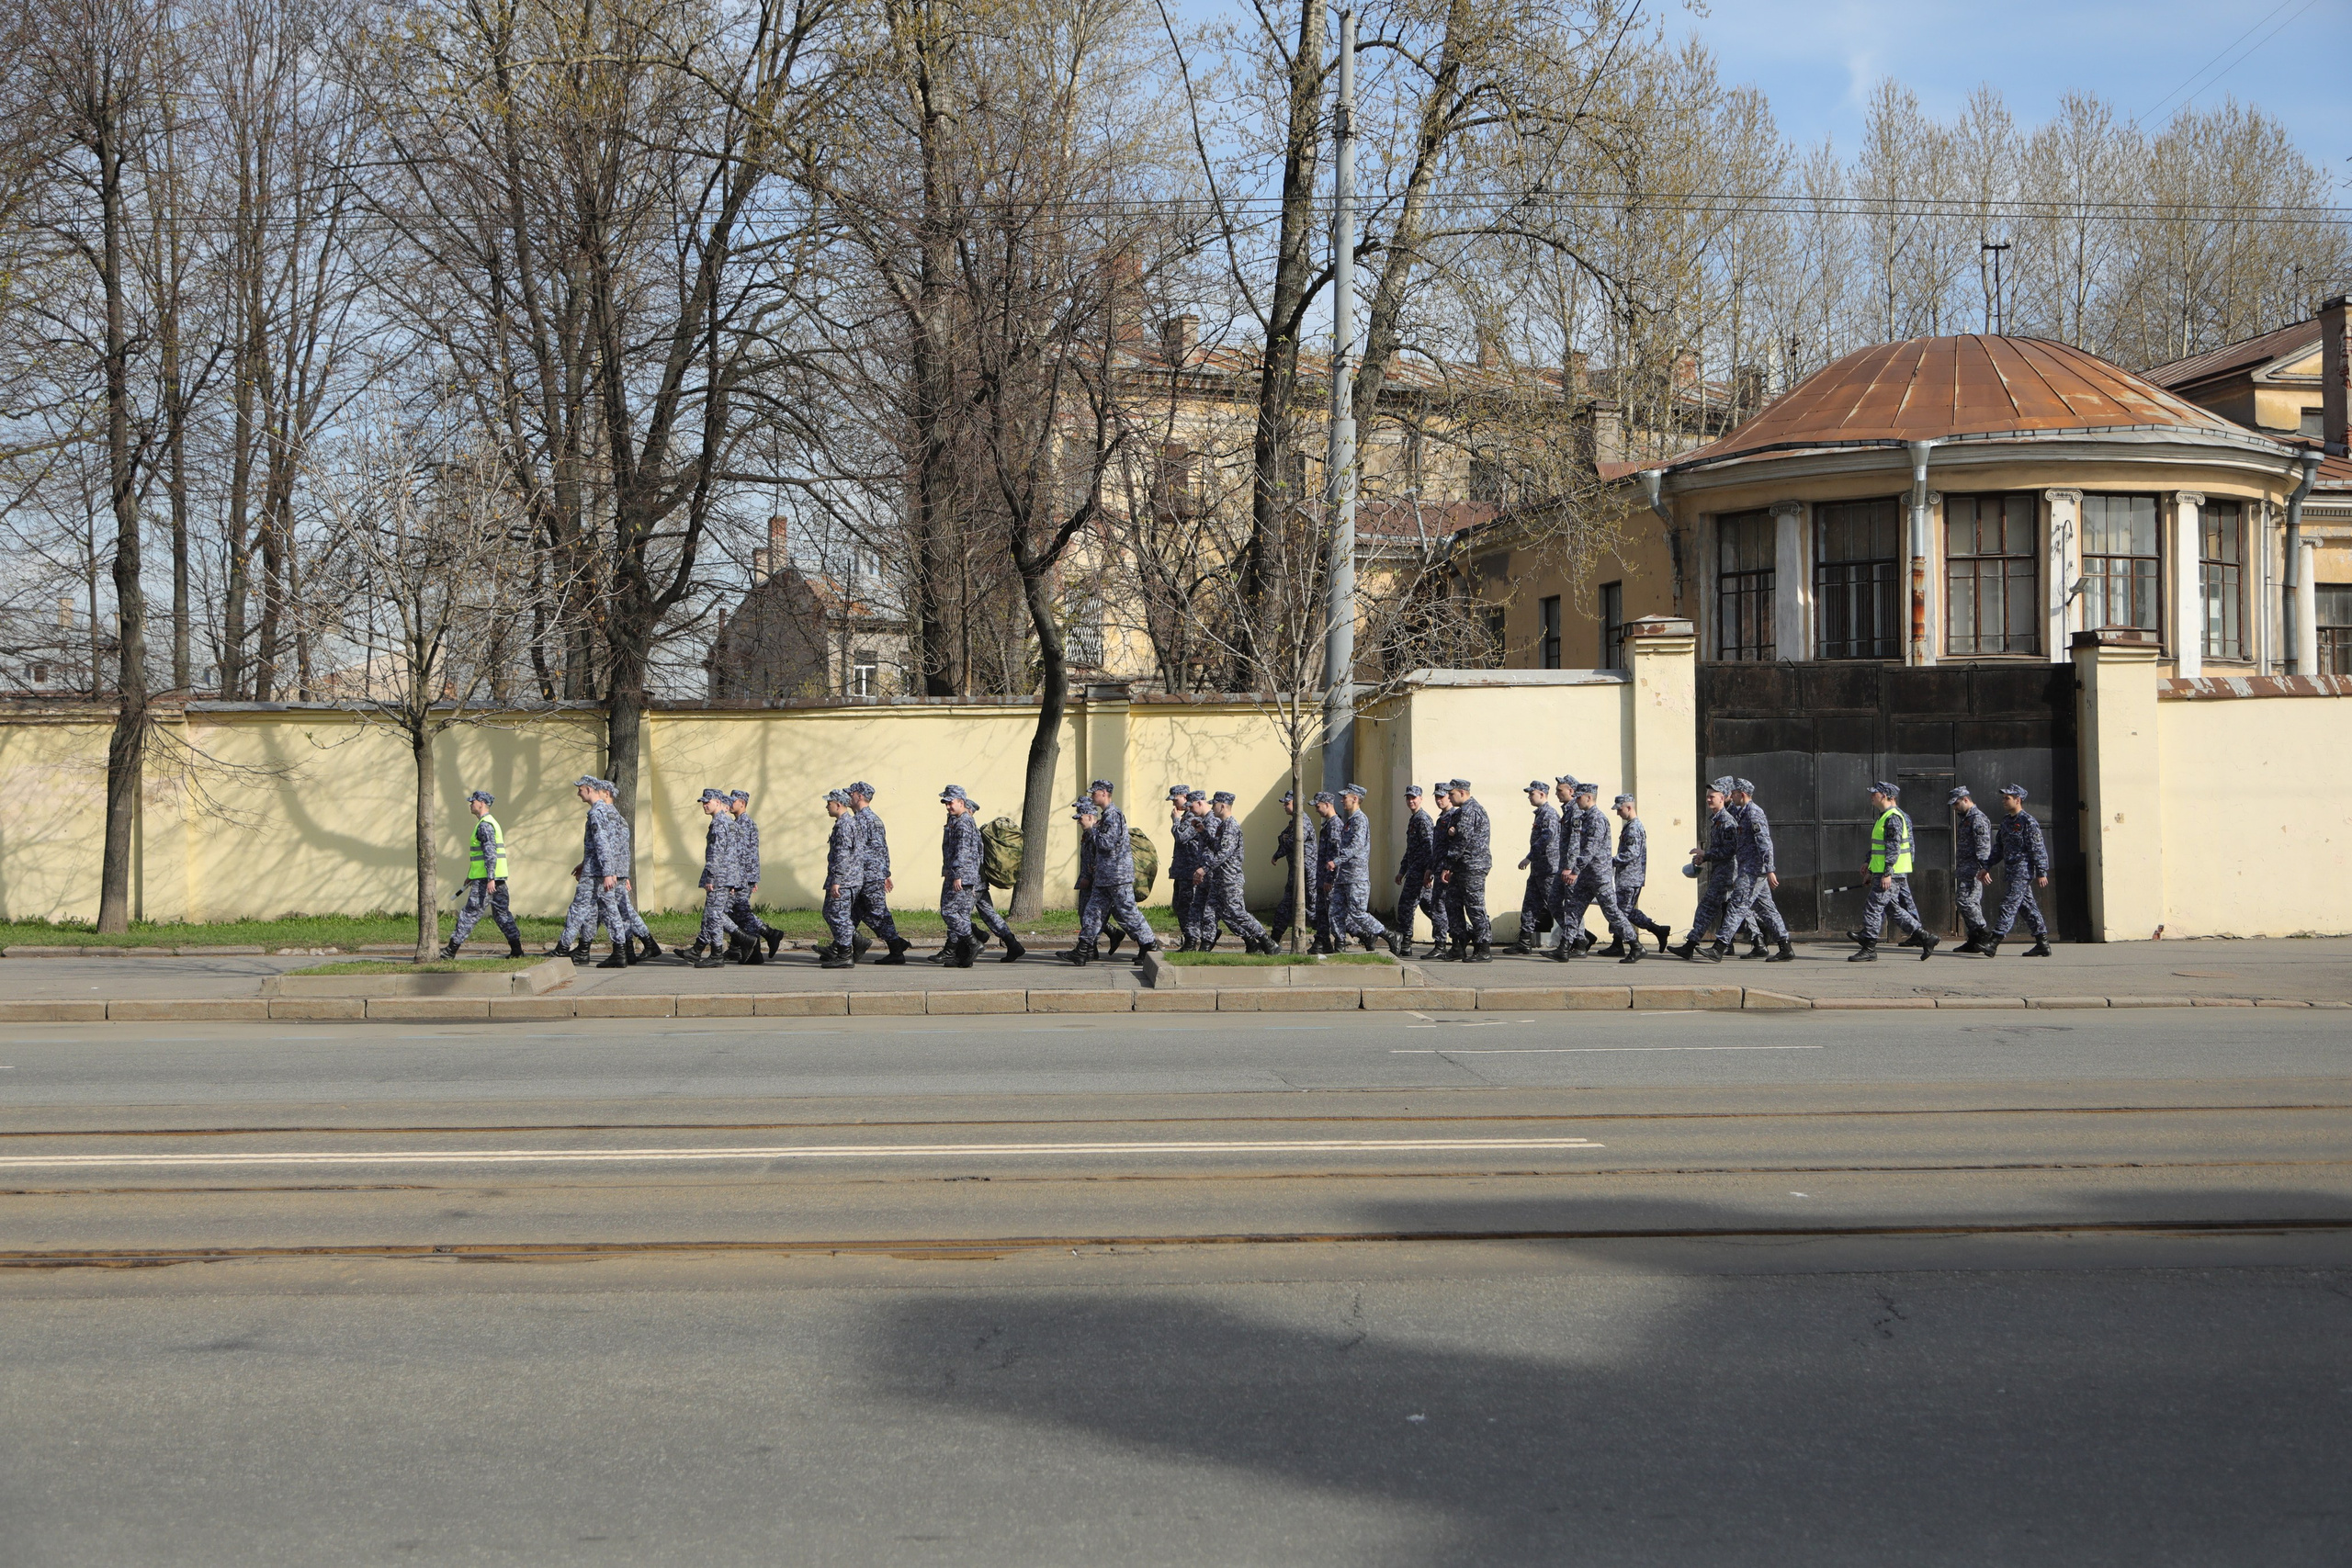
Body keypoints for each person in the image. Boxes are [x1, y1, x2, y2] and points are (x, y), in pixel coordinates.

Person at [1067, 780, 1157, 964]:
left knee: (1128, 913)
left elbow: (1106, 844)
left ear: (1104, 793)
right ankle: (1082, 951)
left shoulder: (1113, 815)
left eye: (1094, 793)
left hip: (1117, 877)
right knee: (1092, 912)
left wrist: (1091, 829)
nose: (1092, 796)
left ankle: (1150, 946)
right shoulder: (1107, 815)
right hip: (1105, 877)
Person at [1555, 779, 1641, 964]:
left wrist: (1575, 871)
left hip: (1599, 876)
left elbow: (1589, 849)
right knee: (1573, 910)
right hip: (1587, 876)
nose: (1576, 800)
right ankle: (1564, 947)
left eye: (1579, 798)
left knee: (1612, 912)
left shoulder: (1597, 818)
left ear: (1588, 797)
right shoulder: (1586, 817)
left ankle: (1635, 945)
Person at [934, 784, 1020, 967]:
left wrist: (956, 874)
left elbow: (962, 851)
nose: (948, 807)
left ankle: (970, 944)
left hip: (965, 877)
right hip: (969, 876)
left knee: (952, 912)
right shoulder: (960, 821)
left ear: (961, 802)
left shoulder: (963, 823)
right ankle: (968, 952)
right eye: (946, 803)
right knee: (976, 913)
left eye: (950, 803)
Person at [1850, 781, 1936, 962]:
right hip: (1885, 871)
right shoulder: (1885, 816)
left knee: (1873, 907)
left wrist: (1887, 872)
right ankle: (1926, 937)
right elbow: (1879, 848)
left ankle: (1869, 947)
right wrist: (1870, 867)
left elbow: (1893, 848)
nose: (1872, 796)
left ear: (1887, 796)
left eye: (1875, 793)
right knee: (1892, 909)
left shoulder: (1893, 818)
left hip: (1891, 873)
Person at [1719, 779, 1795, 963]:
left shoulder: (1754, 813)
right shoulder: (1741, 812)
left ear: (1742, 795)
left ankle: (1719, 946)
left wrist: (1770, 869)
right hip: (1749, 867)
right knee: (1766, 909)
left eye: (1734, 793)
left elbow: (1765, 843)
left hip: (1754, 870)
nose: (1732, 796)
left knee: (1737, 905)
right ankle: (1785, 946)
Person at [444, 789, 526, 960]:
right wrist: (471, 874)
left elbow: (490, 853)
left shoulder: (484, 825)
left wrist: (490, 878)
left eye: (472, 802)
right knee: (502, 914)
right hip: (497, 879)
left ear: (481, 803)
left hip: (487, 881)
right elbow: (482, 856)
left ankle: (450, 951)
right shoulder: (491, 823)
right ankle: (517, 950)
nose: (470, 804)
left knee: (470, 913)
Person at [1328, 784, 1404, 955]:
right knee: (1336, 912)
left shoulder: (1360, 819)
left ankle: (1390, 935)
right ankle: (1339, 946)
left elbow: (1356, 845)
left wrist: (1337, 860)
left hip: (1356, 876)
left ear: (1355, 799)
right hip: (1343, 876)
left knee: (1357, 913)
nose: (1342, 801)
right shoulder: (1350, 820)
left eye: (1344, 797)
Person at [1671, 779, 1742, 962]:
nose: (1708, 800)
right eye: (1708, 797)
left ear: (1723, 798)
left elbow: (1730, 850)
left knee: (1707, 908)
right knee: (1713, 909)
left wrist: (1707, 853)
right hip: (1720, 871)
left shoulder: (1727, 821)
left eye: (1712, 797)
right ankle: (1692, 946)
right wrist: (1704, 857)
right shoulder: (1717, 820)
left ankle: (1693, 946)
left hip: (1726, 873)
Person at [1981, 784, 2052, 958]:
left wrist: (2041, 871)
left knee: (2008, 904)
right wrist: (1986, 866)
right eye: (2003, 798)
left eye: (2007, 798)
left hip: (2023, 870)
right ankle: (2042, 943)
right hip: (2011, 870)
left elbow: (2037, 847)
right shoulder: (2006, 821)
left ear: (2018, 800)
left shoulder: (2028, 822)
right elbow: (1999, 848)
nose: (2004, 801)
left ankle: (1994, 942)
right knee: (2027, 907)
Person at [1203, 790, 1274, 953]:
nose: (1212, 807)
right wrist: (1203, 833)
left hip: (1230, 879)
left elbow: (1224, 853)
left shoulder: (1231, 826)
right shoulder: (1223, 825)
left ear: (1222, 806)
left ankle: (1266, 941)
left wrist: (1204, 869)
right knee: (1210, 910)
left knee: (1237, 912)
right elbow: (1217, 847)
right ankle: (1204, 947)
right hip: (1220, 878)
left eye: (1214, 804)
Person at [846, 782, 909, 964]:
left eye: (851, 794)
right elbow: (883, 849)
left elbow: (857, 851)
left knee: (877, 913)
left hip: (867, 875)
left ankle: (896, 948)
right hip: (873, 874)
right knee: (854, 911)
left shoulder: (860, 820)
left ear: (859, 796)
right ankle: (839, 947)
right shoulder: (874, 819)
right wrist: (886, 873)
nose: (848, 797)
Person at [582, 779, 637, 969]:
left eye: (581, 790)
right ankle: (624, 952)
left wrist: (610, 872)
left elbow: (606, 846)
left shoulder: (600, 813)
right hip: (612, 871)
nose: (579, 794)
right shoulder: (615, 816)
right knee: (614, 911)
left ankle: (622, 952)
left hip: (606, 872)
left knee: (613, 911)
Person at [1609, 794, 1672, 955]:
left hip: (1630, 877)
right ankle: (1656, 930)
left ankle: (1622, 943)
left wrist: (1611, 861)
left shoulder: (1634, 828)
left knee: (1621, 911)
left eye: (1620, 809)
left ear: (1629, 807)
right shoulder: (1631, 826)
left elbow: (1631, 853)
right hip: (1628, 877)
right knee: (1623, 910)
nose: (1618, 813)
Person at [691, 787, 746, 970]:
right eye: (703, 802)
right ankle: (742, 940)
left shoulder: (719, 823)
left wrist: (711, 877)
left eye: (708, 802)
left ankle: (716, 954)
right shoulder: (728, 822)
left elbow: (716, 853)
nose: (704, 805)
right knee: (715, 915)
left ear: (718, 802)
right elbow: (733, 853)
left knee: (714, 916)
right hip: (726, 876)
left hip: (719, 876)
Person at [724, 790, 783, 961]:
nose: (730, 804)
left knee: (740, 912)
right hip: (745, 875)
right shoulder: (741, 822)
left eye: (733, 801)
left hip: (741, 877)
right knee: (738, 911)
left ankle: (756, 950)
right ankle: (749, 943)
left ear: (742, 803)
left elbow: (743, 855)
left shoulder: (744, 824)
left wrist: (741, 880)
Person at [1438, 779, 1492, 963]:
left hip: (1472, 866)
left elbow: (1462, 840)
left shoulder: (1470, 810)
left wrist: (1448, 864)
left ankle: (1483, 947)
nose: (1449, 798)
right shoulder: (1462, 812)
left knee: (1474, 906)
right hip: (1461, 866)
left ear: (1462, 792)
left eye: (1451, 794)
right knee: (1452, 904)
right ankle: (1458, 945)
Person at [1389, 784, 1446, 955]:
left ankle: (1405, 943)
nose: (1411, 801)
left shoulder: (1423, 819)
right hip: (1415, 869)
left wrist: (1428, 871)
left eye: (1414, 798)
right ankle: (1464, 931)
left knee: (1406, 905)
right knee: (1430, 906)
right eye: (1408, 798)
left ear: (1421, 799)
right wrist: (1402, 870)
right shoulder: (1414, 820)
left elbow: (1430, 848)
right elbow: (1411, 849)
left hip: (1421, 871)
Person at [1513, 781, 1561, 954]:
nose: (1529, 797)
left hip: (1548, 869)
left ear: (1542, 794)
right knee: (1530, 905)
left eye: (1531, 793)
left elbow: (1546, 839)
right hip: (1538, 870)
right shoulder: (1540, 814)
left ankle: (1579, 938)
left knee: (1555, 905)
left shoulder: (1549, 814)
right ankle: (1524, 942)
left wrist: (1529, 857)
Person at [818, 789, 863, 969]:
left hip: (844, 880)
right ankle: (851, 944)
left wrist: (837, 880)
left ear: (838, 804)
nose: (826, 806)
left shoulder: (845, 825)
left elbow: (843, 855)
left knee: (838, 916)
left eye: (829, 803)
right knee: (830, 912)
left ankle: (845, 954)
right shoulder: (843, 823)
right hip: (846, 878)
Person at [1950, 784, 1996, 954]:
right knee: (1967, 902)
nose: (1955, 808)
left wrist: (1984, 867)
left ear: (1966, 799)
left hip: (1974, 870)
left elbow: (1983, 846)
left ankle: (1983, 934)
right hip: (1965, 869)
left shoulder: (1977, 818)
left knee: (1966, 901)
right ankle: (1974, 939)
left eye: (1956, 804)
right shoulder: (1966, 818)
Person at [1178, 791, 1222, 950]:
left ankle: (1253, 941)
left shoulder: (1213, 821)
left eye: (1192, 805)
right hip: (1202, 871)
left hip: (1210, 872)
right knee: (1195, 909)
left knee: (1218, 912)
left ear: (1200, 803)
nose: (1189, 809)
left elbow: (1213, 850)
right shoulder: (1202, 821)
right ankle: (1190, 943)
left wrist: (1203, 869)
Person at [1308, 792, 1342, 952]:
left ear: (1327, 805)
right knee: (1321, 912)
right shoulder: (1328, 824)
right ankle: (1322, 943)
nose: (1316, 809)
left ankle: (1365, 934)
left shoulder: (1335, 825)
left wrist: (1329, 878)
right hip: (1322, 877)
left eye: (1318, 806)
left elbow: (1335, 854)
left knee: (1332, 912)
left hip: (1329, 879)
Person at [1165, 785, 1197, 947]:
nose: (1174, 805)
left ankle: (1192, 939)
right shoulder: (1186, 816)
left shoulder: (1193, 817)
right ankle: (1190, 937)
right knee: (1179, 905)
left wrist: (1175, 820)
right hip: (1181, 871)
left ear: (1185, 797)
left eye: (1175, 800)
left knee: (1187, 906)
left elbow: (1181, 838)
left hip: (1190, 871)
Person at [1267, 790, 1299, 947]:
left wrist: (1277, 854)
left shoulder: (1302, 822)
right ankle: (1273, 941)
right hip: (1295, 874)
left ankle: (1361, 933)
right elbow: (1282, 837)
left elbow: (1291, 842)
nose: (1284, 807)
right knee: (1284, 909)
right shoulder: (1292, 823)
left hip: (1306, 876)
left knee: (1315, 911)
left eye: (1287, 803)